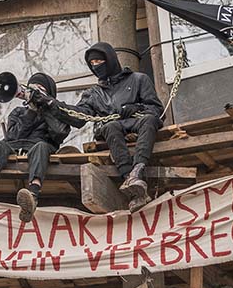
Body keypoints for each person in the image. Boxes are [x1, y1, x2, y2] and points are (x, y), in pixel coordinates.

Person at [55, 43, 163, 210]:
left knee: (149, 120)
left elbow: (156, 109)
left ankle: (138, 170)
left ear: (110, 60)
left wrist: (136, 108)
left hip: (137, 121)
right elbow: (78, 117)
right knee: (111, 126)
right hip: (111, 128)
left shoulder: (139, 79)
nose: (96, 66)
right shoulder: (93, 93)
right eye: (92, 64)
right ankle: (129, 178)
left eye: (99, 61)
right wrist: (52, 105)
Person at [0, 72, 70, 221]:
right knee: (0, 144)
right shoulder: (19, 112)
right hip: (16, 145)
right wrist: (31, 112)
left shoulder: (55, 113)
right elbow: (12, 136)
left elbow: (60, 133)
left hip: (39, 147)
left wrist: (45, 109)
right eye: (32, 88)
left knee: (41, 147)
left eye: (40, 89)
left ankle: (32, 194)